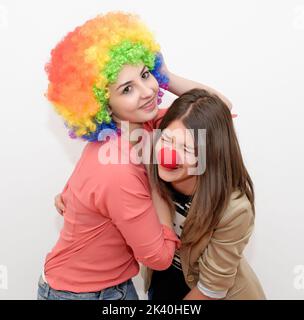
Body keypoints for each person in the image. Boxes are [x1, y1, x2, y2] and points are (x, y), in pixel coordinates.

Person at [39, 12, 231, 300]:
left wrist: (166, 77)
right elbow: (160, 258)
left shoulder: (147, 125)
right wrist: (157, 188)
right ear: (104, 107)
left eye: (145, 74)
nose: (147, 92)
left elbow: (219, 110)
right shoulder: (118, 166)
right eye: (126, 89)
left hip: (111, 285)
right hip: (80, 294)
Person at [143, 88, 266, 300]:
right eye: (167, 140)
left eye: (186, 149)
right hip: (162, 286)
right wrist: (73, 194)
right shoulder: (151, 168)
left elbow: (211, 289)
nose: (168, 155)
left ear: (210, 155)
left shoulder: (234, 210)